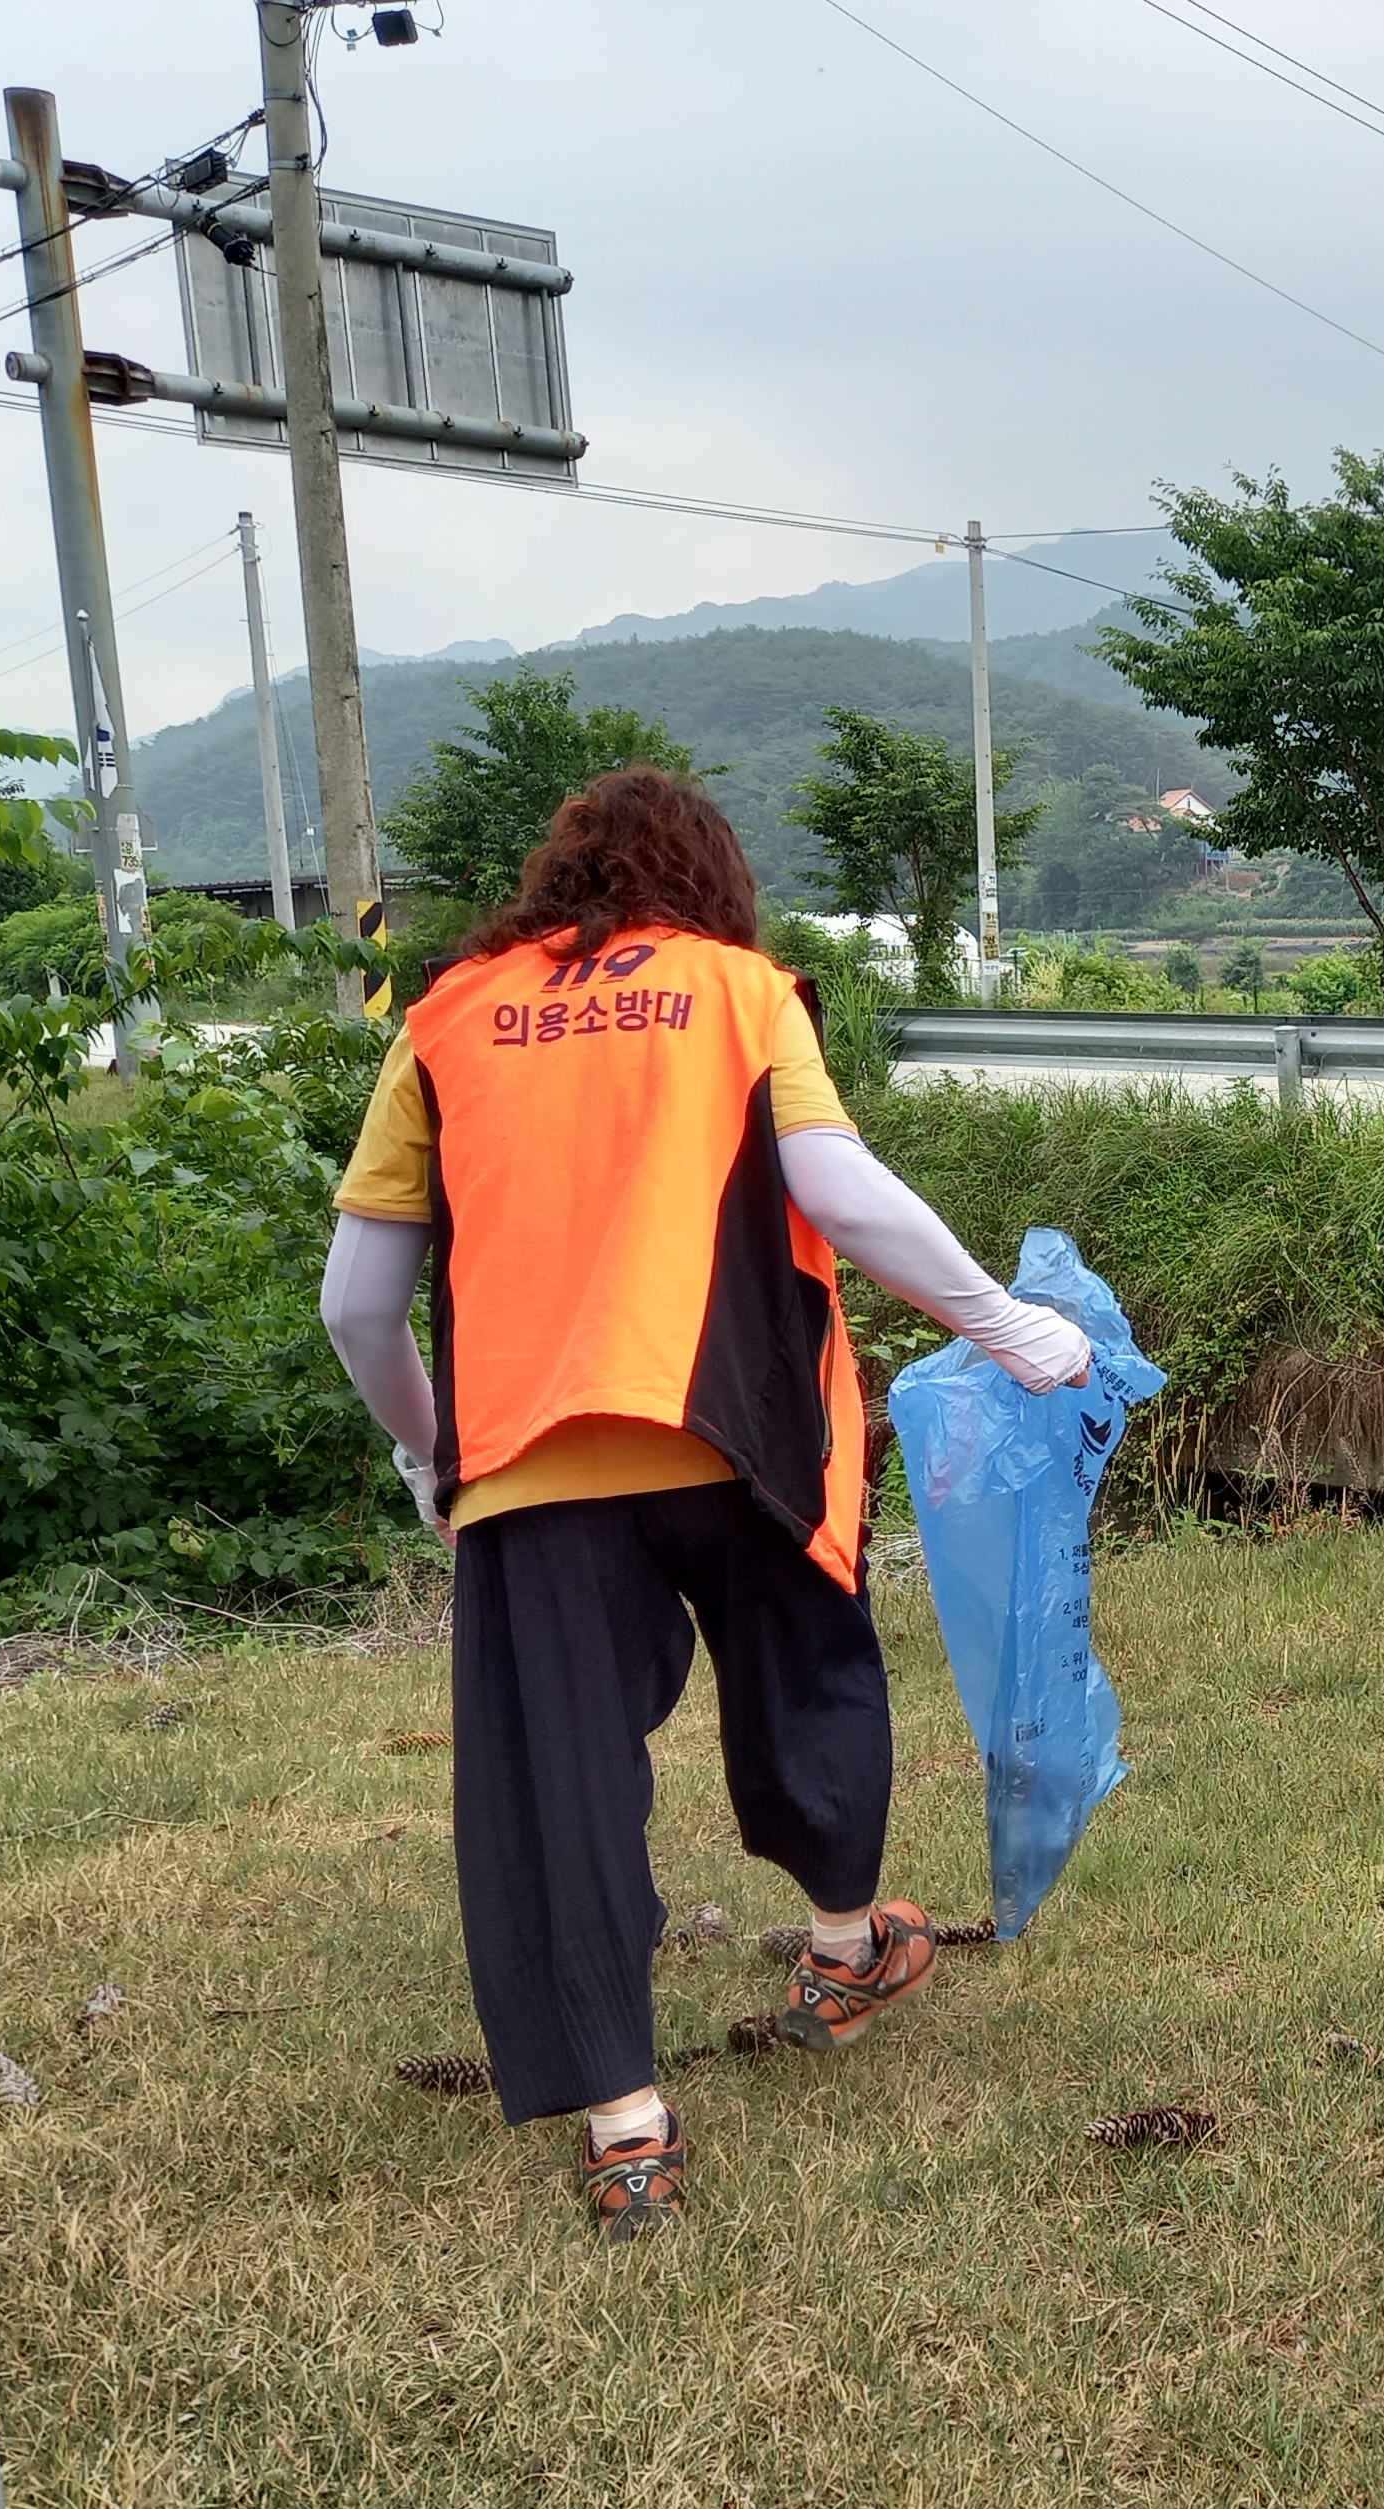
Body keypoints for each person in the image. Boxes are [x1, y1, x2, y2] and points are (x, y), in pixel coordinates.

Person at [319, 766, 1090, 2243]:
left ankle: (626, 2129)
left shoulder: (448, 1019)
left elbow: (358, 1306)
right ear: (711, 879)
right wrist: (1006, 1324)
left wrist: (434, 1455)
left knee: (562, 1783)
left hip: (532, 1459)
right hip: (737, 1429)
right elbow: (844, 1196)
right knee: (810, 1672)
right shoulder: (740, 995)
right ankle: (846, 1944)